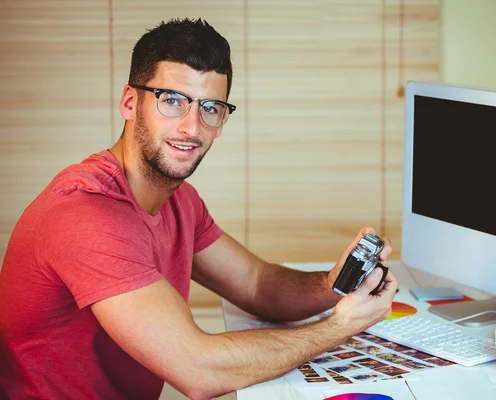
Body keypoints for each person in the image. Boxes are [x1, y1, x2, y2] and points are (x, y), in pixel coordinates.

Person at [0, 18, 398, 400]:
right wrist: (341, 327)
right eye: (172, 100)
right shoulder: (85, 213)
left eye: (210, 107)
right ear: (129, 103)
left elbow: (257, 284)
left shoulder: (179, 200)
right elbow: (197, 370)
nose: (192, 127)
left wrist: (336, 282)